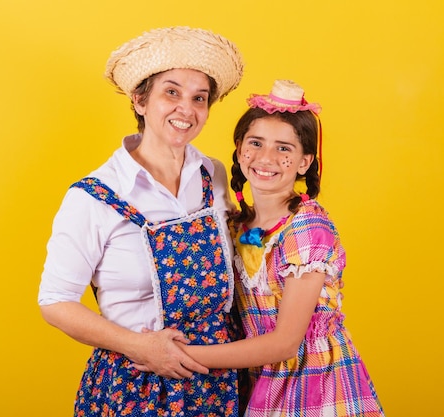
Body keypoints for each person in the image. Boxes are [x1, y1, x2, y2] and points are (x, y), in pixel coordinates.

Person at [38, 26, 246, 416]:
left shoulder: (213, 175)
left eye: (199, 98)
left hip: (221, 381)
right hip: (136, 384)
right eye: (171, 92)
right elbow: (55, 301)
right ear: (139, 100)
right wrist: (140, 346)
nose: (187, 109)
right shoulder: (93, 197)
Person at [145, 79, 384, 416]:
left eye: (284, 148)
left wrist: (178, 355)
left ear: (304, 162)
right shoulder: (235, 225)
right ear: (240, 148)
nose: (266, 158)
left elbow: (284, 342)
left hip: (316, 385)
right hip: (259, 379)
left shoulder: (307, 230)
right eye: (255, 143)